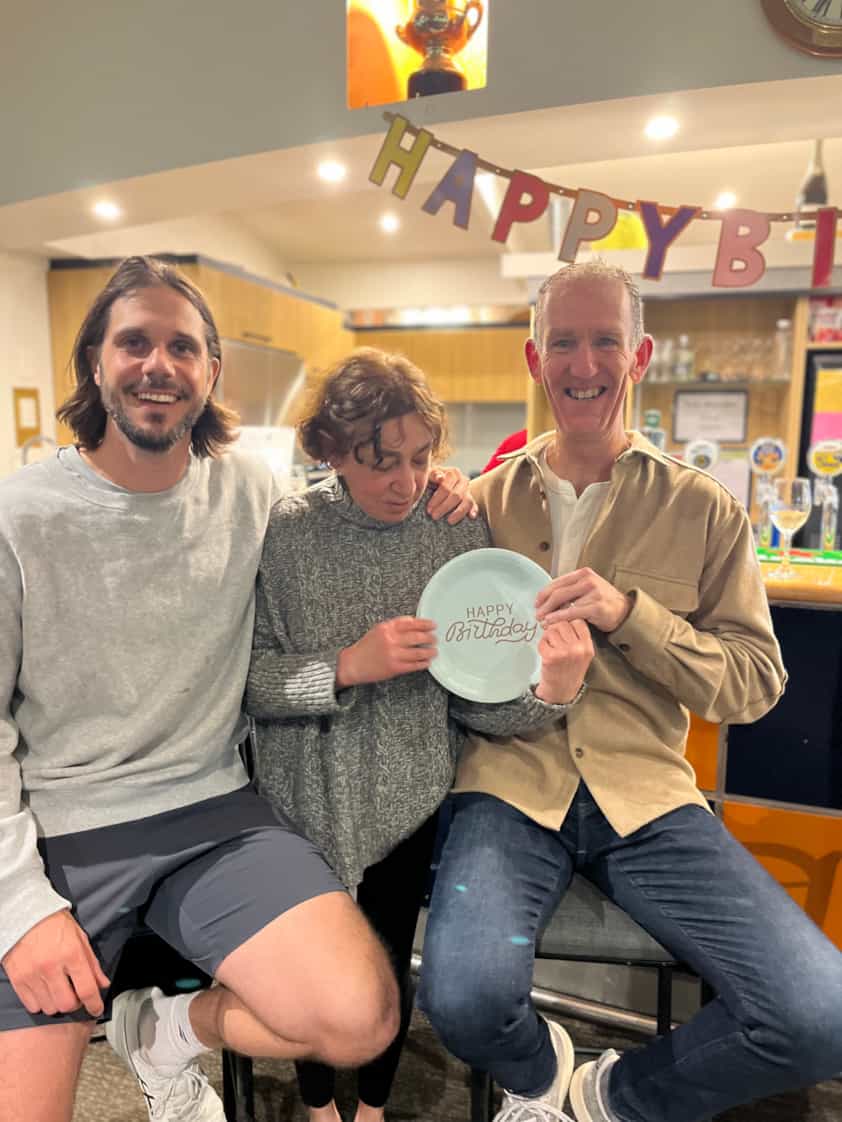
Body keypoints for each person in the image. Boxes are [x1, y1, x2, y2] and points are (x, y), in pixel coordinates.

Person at [0, 257, 475, 1122]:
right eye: (134, 342)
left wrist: (440, 479)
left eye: (182, 346)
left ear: (211, 371)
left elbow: (347, 505)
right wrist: (19, 907)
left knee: (363, 1019)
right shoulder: (18, 515)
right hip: (62, 830)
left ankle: (165, 1030)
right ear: (95, 363)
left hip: (212, 811)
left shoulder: (253, 492)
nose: (158, 364)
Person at [418, 260, 842, 1122]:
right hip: (506, 785)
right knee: (461, 1001)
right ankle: (540, 1073)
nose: (584, 364)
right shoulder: (479, 507)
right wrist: (424, 486)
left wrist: (630, 615)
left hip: (647, 796)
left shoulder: (704, 508)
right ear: (534, 360)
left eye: (605, 341)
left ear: (639, 355)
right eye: (563, 343)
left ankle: (603, 1098)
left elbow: (753, 684)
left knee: (820, 1017)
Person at [245, 347, 593, 1122]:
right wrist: (346, 666)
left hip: (412, 796)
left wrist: (549, 692)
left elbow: (481, 701)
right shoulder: (286, 534)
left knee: (385, 960)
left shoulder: (451, 530)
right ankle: (316, 1105)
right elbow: (251, 685)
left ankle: (372, 1107)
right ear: (330, 451)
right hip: (301, 795)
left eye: (420, 457)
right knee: (307, 963)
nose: (405, 482)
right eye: (381, 464)